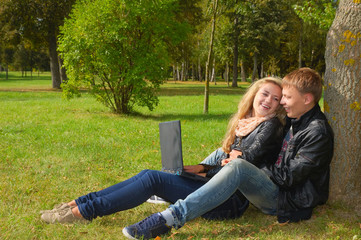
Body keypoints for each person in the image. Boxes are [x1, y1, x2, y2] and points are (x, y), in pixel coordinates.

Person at [121, 67, 334, 240]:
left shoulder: (317, 132)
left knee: (239, 166)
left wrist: (248, 162)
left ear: (307, 99)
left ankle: (170, 218)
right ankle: (188, 184)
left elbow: (287, 178)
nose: (283, 102)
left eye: (287, 97)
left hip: (286, 200)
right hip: (273, 185)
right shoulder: (293, 119)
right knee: (228, 157)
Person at [40, 77, 285, 225]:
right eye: (265, 94)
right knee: (148, 174)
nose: (268, 101)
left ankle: (81, 212)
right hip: (215, 189)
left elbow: (247, 160)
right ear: (254, 94)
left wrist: (224, 162)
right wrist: (200, 169)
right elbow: (227, 160)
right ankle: (77, 203)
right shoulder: (246, 122)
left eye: (276, 99)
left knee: (152, 179)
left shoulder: (271, 125)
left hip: (227, 202)